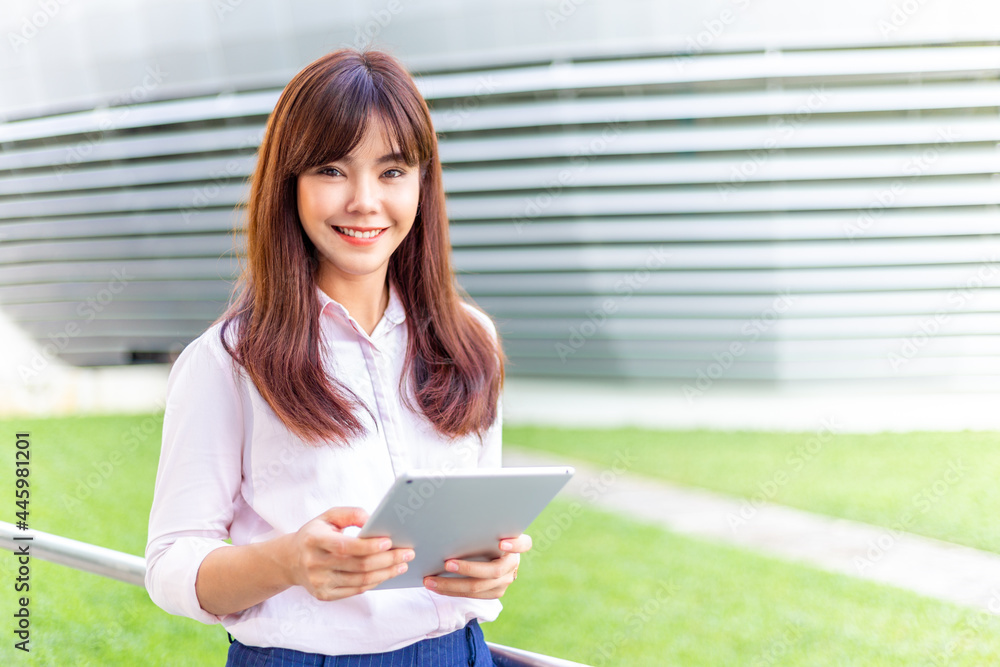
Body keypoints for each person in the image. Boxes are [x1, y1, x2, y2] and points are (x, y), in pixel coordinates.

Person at [145, 48, 528, 667]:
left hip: (459, 653)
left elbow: (474, 530)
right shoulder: (227, 361)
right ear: (288, 184)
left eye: (393, 171)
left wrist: (489, 569)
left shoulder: (470, 339)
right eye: (330, 169)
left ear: (423, 185)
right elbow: (168, 567)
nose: (364, 201)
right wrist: (287, 561)